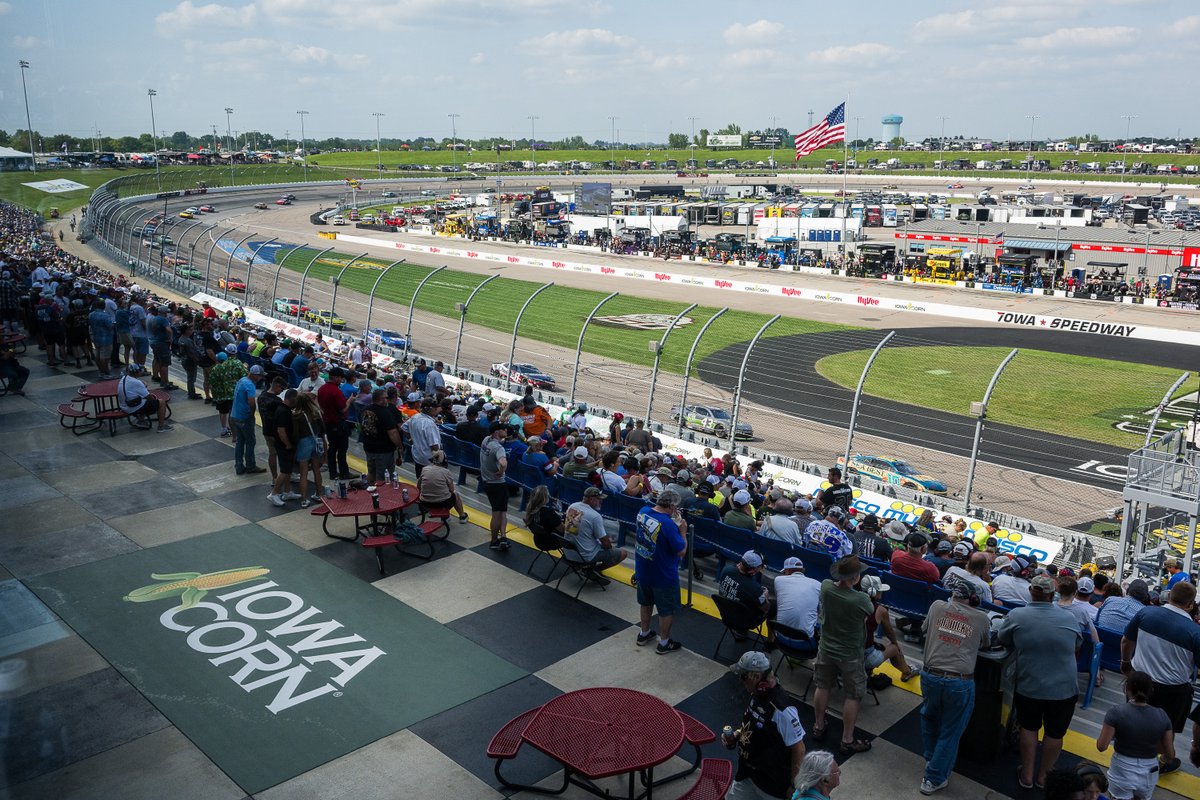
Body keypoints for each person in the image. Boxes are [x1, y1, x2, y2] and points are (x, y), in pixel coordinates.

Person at [997, 574, 1082, 790]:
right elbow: (1077, 644)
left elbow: (1002, 639)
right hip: (1064, 689)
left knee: (1029, 727)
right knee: (1055, 733)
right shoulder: (1069, 618)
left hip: (1030, 685)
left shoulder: (1017, 615)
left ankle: (1026, 775)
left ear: (1031, 591)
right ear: (1052, 595)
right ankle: (1044, 777)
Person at [918, 577, 991, 795]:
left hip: (930, 676)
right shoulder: (981, 618)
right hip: (959, 682)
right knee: (950, 731)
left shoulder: (937, 606)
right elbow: (986, 643)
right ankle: (934, 777)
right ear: (974, 599)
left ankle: (933, 760)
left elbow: (924, 628)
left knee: (930, 718)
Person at [1120, 580, 1200, 758]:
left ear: (1170, 596)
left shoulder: (1145, 613)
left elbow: (1126, 641)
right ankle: (1160, 762)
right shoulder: (1196, 633)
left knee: (1133, 719)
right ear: (1190, 604)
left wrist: (1125, 663)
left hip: (1139, 681)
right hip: (1173, 692)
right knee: (1165, 730)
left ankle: (1128, 752)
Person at [811, 555, 874, 756]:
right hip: (850, 654)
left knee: (822, 686)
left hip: (826, 648)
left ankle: (819, 726)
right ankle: (847, 739)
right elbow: (867, 614)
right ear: (855, 578)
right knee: (853, 695)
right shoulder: (861, 599)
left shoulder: (826, 587)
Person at [723, 651, 806, 799]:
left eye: (743, 677)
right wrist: (737, 735)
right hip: (747, 774)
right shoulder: (757, 694)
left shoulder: (782, 710)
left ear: (755, 677)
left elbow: (799, 749)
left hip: (772, 785)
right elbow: (753, 723)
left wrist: (794, 786)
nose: (741, 682)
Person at [1096, 670, 1175, 800]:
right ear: (1151, 691)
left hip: (1122, 768)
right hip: (1149, 771)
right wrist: (1161, 760)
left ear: (1128, 688)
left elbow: (1101, 746)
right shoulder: (1162, 715)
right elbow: (1170, 754)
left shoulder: (1116, 713)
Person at [633, 487, 687, 655]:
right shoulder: (669, 525)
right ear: (671, 507)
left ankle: (644, 633)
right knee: (666, 610)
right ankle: (664, 643)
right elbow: (681, 551)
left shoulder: (643, 511)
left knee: (646, 602)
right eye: (676, 507)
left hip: (643, 568)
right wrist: (682, 531)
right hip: (663, 575)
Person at [859, 575, 919, 683]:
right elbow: (890, 633)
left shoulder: (850, 602)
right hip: (862, 657)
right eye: (879, 590)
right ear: (873, 592)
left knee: (877, 644)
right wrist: (896, 644)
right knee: (895, 648)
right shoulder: (880, 610)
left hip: (844, 652)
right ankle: (907, 672)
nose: (881, 593)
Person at [564, 486, 627, 582]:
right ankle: (593, 570)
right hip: (585, 556)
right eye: (599, 499)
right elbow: (606, 544)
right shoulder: (595, 516)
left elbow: (575, 529)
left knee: (596, 542)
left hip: (569, 552)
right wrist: (608, 546)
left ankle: (591, 568)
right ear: (591, 499)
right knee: (622, 553)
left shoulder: (572, 506)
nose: (601, 502)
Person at [358, 388, 402, 485]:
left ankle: (369, 493)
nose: (387, 400)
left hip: (368, 447)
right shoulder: (385, 413)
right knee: (383, 477)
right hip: (383, 450)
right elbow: (393, 433)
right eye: (386, 398)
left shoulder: (364, 410)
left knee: (371, 472)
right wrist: (399, 446)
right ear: (381, 399)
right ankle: (381, 498)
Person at [771, 556, 821, 639]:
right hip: (805, 641)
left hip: (782, 637)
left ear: (788, 571)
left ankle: (770, 644)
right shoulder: (818, 584)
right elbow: (819, 612)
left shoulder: (778, 580)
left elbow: (780, 601)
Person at [266, 389, 302, 507]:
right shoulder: (284, 412)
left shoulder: (283, 409)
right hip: (284, 446)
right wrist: (288, 444)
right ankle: (274, 493)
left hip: (283, 445)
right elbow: (281, 430)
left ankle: (287, 491)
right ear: (292, 399)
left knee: (288, 470)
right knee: (285, 471)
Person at [291, 391, 327, 508]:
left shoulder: (296, 415)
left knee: (303, 473)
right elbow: (323, 429)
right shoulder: (316, 412)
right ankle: (319, 494)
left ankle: (304, 499)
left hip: (303, 443)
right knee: (316, 469)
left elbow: (295, 434)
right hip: (315, 440)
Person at [229, 364, 266, 475]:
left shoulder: (242, 380)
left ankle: (239, 466)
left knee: (240, 442)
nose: (261, 379)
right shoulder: (250, 385)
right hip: (244, 418)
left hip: (234, 416)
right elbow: (251, 402)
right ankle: (251, 466)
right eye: (260, 376)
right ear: (255, 375)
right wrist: (251, 415)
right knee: (250, 442)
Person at [115, 363, 173, 432]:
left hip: (124, 406)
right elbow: (149, 397)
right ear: (136, 372)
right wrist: (156, 401)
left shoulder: (124, 378)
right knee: (161, 402)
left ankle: (141, 420)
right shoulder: (136, 383)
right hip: (131, 408)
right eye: (140, 371)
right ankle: (161, 427)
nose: (141, 372)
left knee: (143, 400)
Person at [481, 422, 511, 551]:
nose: (506, 431)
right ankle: (494, 540)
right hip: (497, 483)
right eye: (503, 429)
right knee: (497, 513)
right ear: (497, 432)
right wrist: (501, 470)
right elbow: (503, 462)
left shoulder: (486, 440)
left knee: (502, 511)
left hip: (486, 480)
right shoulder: (498, 448)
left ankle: (503, 536)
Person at [317, 367, 351, 480]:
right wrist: (350, 401)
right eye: (341, 378)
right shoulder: (336, 391)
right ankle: (344, 472)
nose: (341, 380)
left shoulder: (322, 388)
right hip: (338, 423)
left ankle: (333, 472)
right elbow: (343, 410)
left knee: (332, 448)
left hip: (327, 422)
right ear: (336, 377)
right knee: (342, 449)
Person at [417, 450, 469, 522]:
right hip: (441, 503)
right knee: (455, 494)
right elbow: (451, 490)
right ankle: (462, 516)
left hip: (425, 502)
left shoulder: (425, 469)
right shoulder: (446, 472)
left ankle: (444, 516)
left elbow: (418, 486)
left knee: (444, 493)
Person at [717, 551, 769, 617]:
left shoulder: (726, 569)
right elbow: (766, 608)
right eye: (760, 567)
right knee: (773, 606)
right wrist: (765, 597)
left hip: (725, 613)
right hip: (743, 621)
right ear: (752, 571)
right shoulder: (755, 588)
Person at [401, 399, 441, 480]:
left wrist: (411, 440)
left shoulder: (415, 417)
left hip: (417, 455)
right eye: (435, 408)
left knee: (420, 480)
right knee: (429, 484)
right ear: (430, 409)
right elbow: (434, 445)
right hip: (428, 459)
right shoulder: (429, 424)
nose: (437, 410)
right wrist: (440, 460)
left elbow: (404, 428)